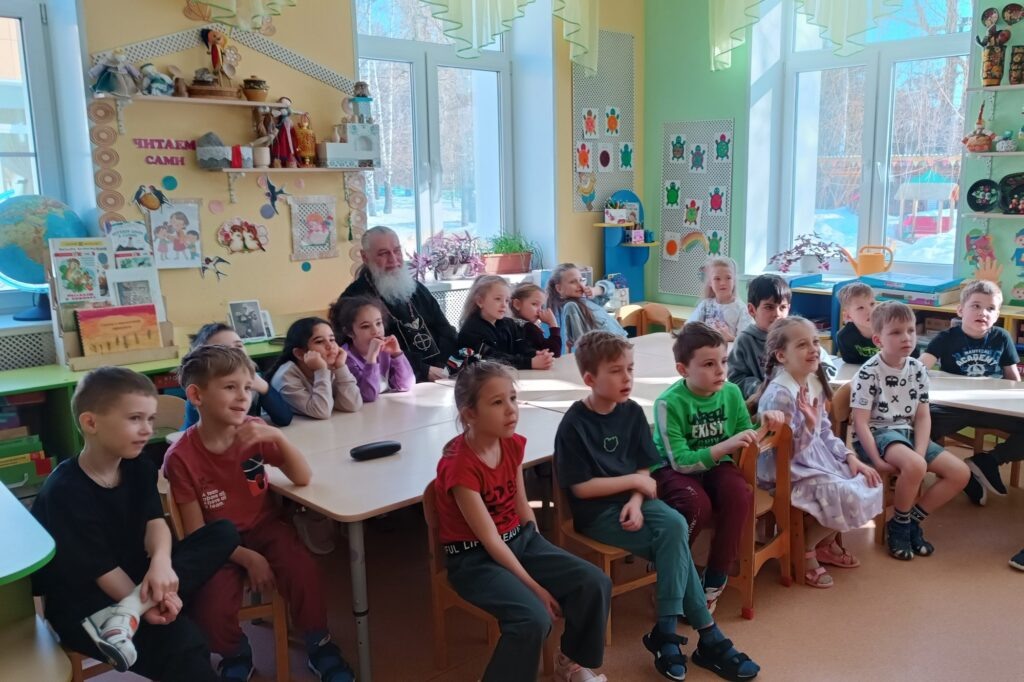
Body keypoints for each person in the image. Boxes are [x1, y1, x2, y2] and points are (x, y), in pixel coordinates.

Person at [555, 330, 761, 682]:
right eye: (616, 371)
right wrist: (635, 485)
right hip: (598, 514)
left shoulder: (632, 411)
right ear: (589, 379)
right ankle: (707, 636)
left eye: (630, 369)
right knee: (675, 540)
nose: (627, 378)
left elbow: (642, 469)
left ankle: (667, 632)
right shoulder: (574, 424)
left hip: (635, 505)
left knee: (676, 527)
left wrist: (637, 499)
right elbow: (581, 488)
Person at [31, 367, 238, 681]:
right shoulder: (64, 491)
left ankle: (129, 614)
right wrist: (149, 602)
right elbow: (102, 571)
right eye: (135, 419)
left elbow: (156, 523)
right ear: (90, 423)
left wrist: (161, 563)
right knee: (184, 642)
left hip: (136, 582)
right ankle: (128, 616)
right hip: (87, 606)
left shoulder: (138, 466)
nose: (146, 429)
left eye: (150, 419)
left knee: (223, 532)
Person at [165, 345, 355, 682]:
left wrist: (278, 438)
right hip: (216, 544)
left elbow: (302, 477)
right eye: (230, 387)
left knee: (305, 573)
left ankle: (319, 644)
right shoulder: (181, 457)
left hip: (266, 527)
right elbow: (197, 534)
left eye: (247, 387)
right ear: (196, 395)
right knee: (210, 606)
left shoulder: (254, 431)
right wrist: (249, 559)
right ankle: (235, 653)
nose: (243, 396)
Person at [436, 359, 611, 682]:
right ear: (469, 414)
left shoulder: (512, 444)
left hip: (519, 540)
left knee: (594, 582)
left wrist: (539, 546)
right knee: (533, 619)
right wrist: (536, 587)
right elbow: (490, 540)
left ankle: (570, 664)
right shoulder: (460, 466)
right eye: (497, 402)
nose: (511, 410)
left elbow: (521, 504)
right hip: (474, 559)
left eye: (513, 398)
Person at [651, 322, 784, 611]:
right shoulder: (667, 403)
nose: (720, 370)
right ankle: (672, 571)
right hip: (672, 469)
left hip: (715, 464)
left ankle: (714, 580)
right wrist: (726, 445)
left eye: (723, 361)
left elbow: (744, 434)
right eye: (709, 364)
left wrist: (764, 422)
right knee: (696, 505)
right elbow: (681, 462)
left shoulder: (731, 393)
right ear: (683, 370)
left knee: (740, 494)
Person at [753, 317, 883, 588]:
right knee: (845, 493)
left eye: (814, 342)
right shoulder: (780, 394)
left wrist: (849, 457)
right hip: (784, 471)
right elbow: (785, 453)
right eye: (802, 345)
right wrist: (809, 426)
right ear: (781, 356)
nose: (813, 349)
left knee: (868, 480)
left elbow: (825, 432)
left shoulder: (812, 381)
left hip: (813, 459)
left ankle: (823, 542)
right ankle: (806, 546)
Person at [850, 301, 970, 561]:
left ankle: (906, 521)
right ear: (878, 340)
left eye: (910, 330)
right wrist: (877, 460)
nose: (906, 337)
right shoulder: (868, 373)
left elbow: (923, 415)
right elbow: (860, 423)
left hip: (908, 433)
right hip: (878, 435)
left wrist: (921, 451)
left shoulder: (917, 369)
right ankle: (902, 526)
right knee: (916, 465)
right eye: (896, 332)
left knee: (960, 473)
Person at [919, 279, 1024, 509]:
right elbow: (920, 368)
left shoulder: (1001, 337)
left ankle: (987, 461)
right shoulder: (946, 338)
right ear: (960, 310)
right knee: (918, 426)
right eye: (976, 306)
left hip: (993, 408)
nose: (983, 312)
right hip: (954, 407)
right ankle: (958, 475)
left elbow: (1013, 380)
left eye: (990, 308)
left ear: (997, 315)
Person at [339, 225, 459, 382]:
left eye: (397, 251)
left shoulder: (416, 288)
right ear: (365, 257)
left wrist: (446, 364)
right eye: (383, 253)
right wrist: (423, 370)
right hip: (398, 381)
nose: (393, 259)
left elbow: (445, 329)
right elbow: (363, 350)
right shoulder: (353, 299)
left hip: (443, 372)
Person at [728, 274, 835, 399]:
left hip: (801, 401)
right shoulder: (745, 340)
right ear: (752, 310)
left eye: (782, 307)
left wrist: (807, 377)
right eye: (769, 307)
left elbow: (829, 370)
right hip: (764, 403)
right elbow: (736, 378)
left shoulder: (797, 335)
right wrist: (761, 388)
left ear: (788, 308)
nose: (777, 314)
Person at [181, 323, 292, 429]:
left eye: (238, 345)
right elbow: (194, 433)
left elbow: (284, 419)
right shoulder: (202, 389)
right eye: (223, 348)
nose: (235, 352)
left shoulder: (253, 379)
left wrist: (264, 387)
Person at [269, 317, 362, 418]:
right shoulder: (285, 378)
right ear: (300, 354)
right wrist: (321, 371)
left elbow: (353, 405)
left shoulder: (331, 366)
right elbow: (322, 411)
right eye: (319, 341)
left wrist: (341, 367)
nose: (330, 346)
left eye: (332, 339)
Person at [328, 295, 414, 403]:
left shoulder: (384, 351)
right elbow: (368, 395)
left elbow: (406, 385)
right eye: (365, 326)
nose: (376, 331)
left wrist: (397, 354)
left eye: (378, 323)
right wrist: (371, 358)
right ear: (349, 332)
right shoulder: (345, 358)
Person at [457, 275, 554, 370]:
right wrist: (530, 363)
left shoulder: (508, 324)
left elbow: (521, 346)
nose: (504, 305)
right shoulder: (472, 330)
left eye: (507, 301)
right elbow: (492, 358)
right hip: (478, 378)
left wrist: (535, 354)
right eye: (498, 299)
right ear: (480, 301)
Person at [546, 263, 626, 354]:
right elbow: (579, 343)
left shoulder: (587, 300)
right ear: (559, 288)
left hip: (620, 345)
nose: (580, 285)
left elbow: (610, 287)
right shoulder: (571, 306)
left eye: (581, 280)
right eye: (573, 282)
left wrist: (595, 290)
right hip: (608, 352)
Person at [690, 256, 752, 342]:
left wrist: (730, 338)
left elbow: (745, 342)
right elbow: (689, 330)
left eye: (728, 278)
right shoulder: (704, 305)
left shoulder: (741, 309)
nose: (723, 283)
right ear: (710, 282)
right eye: (717, 279)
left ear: (734, 281)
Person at [510, 281, 562, 357]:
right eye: (534, 304)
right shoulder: (528, 327)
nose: (539, 310)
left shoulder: (511, 324)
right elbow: (554, 353)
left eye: (541, 306)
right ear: (517, 304)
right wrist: (553, 324)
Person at [834, 282, 880, 364]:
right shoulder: (844, 337)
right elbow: (851, 364)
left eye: (872, 304)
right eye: (860, 308)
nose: (870, 311)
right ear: (848, 316)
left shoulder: (890, 330)